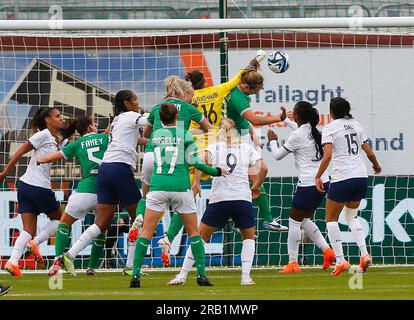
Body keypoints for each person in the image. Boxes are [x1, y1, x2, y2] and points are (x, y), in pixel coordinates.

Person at [157, 51, 272, 266]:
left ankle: (167, 237)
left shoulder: (188, 101)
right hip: (213, 143)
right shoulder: (217, 91)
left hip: (191, 146)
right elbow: (239, 77)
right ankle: (263, 215)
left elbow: (177, 122)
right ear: (205, 81)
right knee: (247, 172)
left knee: (185, 197)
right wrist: (256, 61)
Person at [130, 102, 227, 288]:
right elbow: (195, 162)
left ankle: (135, 275)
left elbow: (148, 145)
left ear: (160, 118)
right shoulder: (185, 134)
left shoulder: (156, 135)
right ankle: (201, 275)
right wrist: (215, 171)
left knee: (147, 232)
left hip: (158, 187)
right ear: (177, 117)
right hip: (181, 187)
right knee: (194, 232)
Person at [56, 90, 147, 276]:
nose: (138, 103)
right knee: (139, 218)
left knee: (103, 222)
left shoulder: (116, 121)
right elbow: (151, 121)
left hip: (105, 171)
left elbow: (138, 139)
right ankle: (130, 267)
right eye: (135, 99)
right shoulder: (131, 115)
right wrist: (174, 114)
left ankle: (70, 255)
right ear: (127, 103)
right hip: (121, 168)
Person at [124, 76, 211, 271]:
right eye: (191, 95)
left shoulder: (158, 108)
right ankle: (197, 269)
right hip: (177, 159)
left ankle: (140, 217)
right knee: (185, 203)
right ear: (184, 93)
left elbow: (146, 134)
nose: (192, 99)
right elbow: (208, 129)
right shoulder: (190, 110)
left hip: (152, 156)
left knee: (147, 197)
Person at [168, 118, 267, 286]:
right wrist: (257, 186)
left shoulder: (214, 147)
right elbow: (263, 168)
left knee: (200, 236)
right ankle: (245, 277)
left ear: (219, 130)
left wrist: (197, 183)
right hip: (242, 198)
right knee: (248, 237)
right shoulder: (246, 147)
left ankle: (182, 275)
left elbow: (199, 162)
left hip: (219, 198)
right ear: (235, 130)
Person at [0, 107, 72, 276]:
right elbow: (20, 150)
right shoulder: (43, 134)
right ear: (48, 120)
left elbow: (69, 135)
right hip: (38, 186)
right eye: (57, 116)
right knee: (61, 220)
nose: (61, 118)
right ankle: (36, 243)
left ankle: (13, 261)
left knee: (28, 229)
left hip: (25, 186)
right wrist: (5, 172)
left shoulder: (57, 140)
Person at [315, 97, 381, 276]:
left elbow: (327, 156)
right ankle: (365, 254)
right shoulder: (356, 124)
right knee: (351, 217)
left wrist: (318, 175)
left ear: (331, 112)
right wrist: (376, 165)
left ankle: (341, 260)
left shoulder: (329, 128)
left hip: (342, 177)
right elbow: (368, 151)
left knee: (331, 219)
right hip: (360, 176)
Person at [267, 102, 336, 273]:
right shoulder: (315, 132)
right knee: (303, 220)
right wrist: (285, 121)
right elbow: (299, 132)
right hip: (323, 182)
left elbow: (277, 156)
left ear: (297, 117)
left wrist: (273, 141)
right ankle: (327, 252)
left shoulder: (298, 135)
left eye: (293, 114)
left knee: (294, 222)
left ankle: (292, 263)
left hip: (308, 184)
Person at [37, 116, 109, 276]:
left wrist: (41, 159)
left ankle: (57, 262)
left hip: (85, 190)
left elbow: (57, 156)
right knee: (100, 228)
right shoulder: (105, 138)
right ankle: (91, 268)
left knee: (64, 223)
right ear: (91, 126)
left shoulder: (77, 144)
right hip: (104, 192)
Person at [223, 69, 288, 231]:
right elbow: (253, 118)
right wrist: (280, 118)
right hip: (236, 141)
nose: (253, 95)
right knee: (252, 177)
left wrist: (252, 133)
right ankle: (255, 221)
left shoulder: (234, 86)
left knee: (250, 179)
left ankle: (260, 221)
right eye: (254, 92)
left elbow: (240, 119)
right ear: (246, 87)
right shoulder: (239, 98)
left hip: (239, 137)